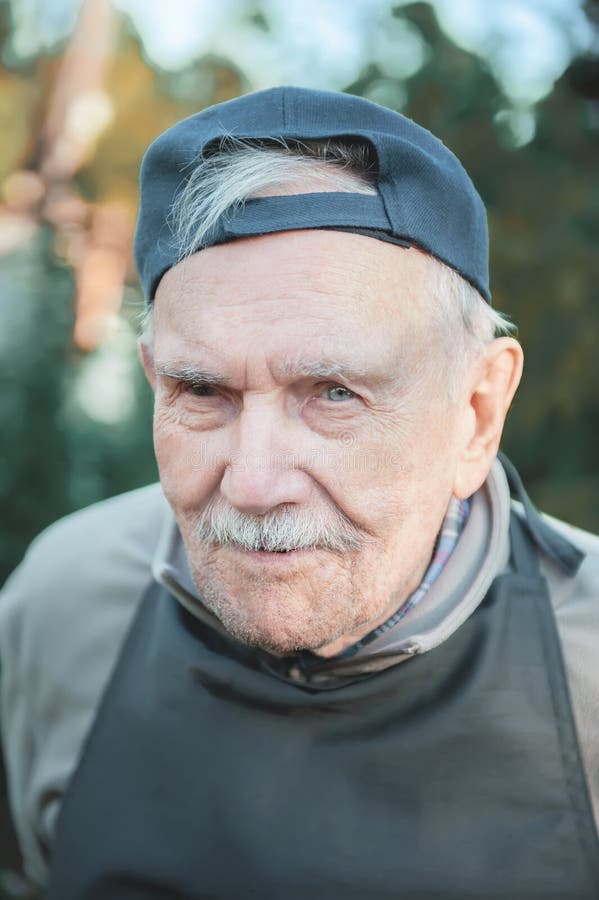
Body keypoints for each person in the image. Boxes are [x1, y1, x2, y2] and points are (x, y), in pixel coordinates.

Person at [1, 86, 598, 900]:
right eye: (202, 391)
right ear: (152, 380)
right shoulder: (66, 600)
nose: (253, 484)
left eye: (335, 394)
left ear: (475, 412)